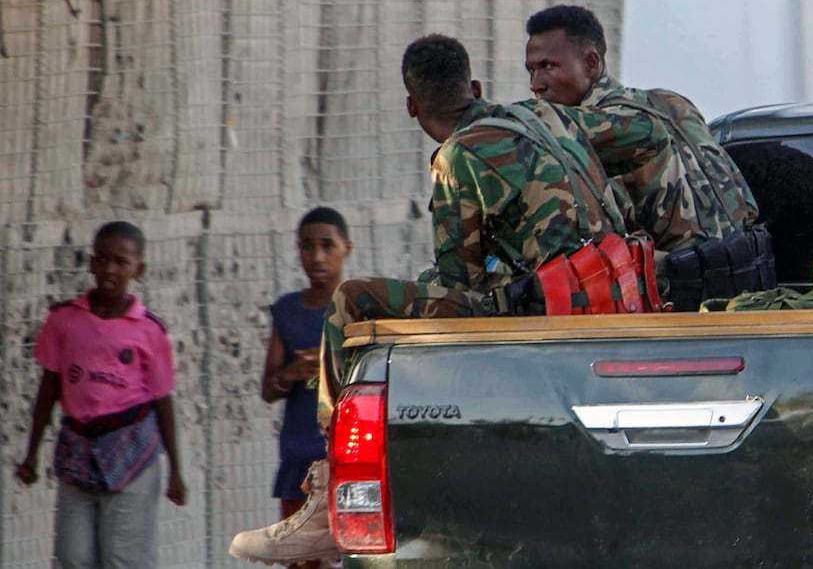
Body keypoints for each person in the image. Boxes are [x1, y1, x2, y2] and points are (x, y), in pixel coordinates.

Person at [231, 34, 631, 566]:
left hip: (546, 311)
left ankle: (327, 499)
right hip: (610, 293)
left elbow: (457, 282)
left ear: (411, 106)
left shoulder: (457, 158)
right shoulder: (538, 118)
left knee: (352, 300)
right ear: (476, 88)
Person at [524, 4, 774, 309]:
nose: (535, 84)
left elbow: (596, 248)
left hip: (686, 303)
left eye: (548, 66)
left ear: (591, 63)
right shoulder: (670, 102)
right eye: (532, 70)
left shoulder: (590, 135)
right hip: (754, 286)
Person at [15, 221, 187, 569]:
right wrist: (31, 453)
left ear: (139, 270)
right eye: (103, 260)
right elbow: (48, 389)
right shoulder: (64, 320)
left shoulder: (149, 330)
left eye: (121, 262)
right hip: (78, 446)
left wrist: (175, 471)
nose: (110, 270)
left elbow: (162, 400)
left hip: (131, 449)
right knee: (73, 556)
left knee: (122, 557)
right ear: (91, 263)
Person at [261, 207, 352, 569]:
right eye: (307, 247)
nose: (316, 257)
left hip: (346, 457)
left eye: (327, 246)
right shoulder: (287, 310)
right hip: (299, 457)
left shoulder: (358, 308)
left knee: (348, 552)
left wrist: (333, 366)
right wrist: (293, 372)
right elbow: (268, 390)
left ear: (347, 248)